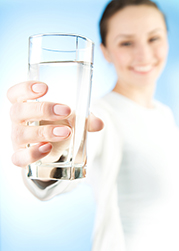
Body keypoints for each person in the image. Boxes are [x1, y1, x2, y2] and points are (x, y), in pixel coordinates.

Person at [7, 0, 179, 250]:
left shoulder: (165, 114)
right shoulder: (100, 116)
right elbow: (76, 151)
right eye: (126, 43)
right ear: (105, 51)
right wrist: (54, 153)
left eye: (154, 38)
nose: (143, 54)